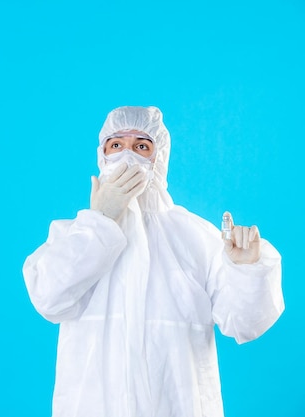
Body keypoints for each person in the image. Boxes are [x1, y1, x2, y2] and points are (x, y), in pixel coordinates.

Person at [22, 106, 284, 417]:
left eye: (141, 146)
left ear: (159, 158)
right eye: (116, 145)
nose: (127, 156)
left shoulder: (196, 238)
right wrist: (100, 222)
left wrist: (246, 269)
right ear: (101, 156)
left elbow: (245, 323)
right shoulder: (73, 237)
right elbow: (49, 298)